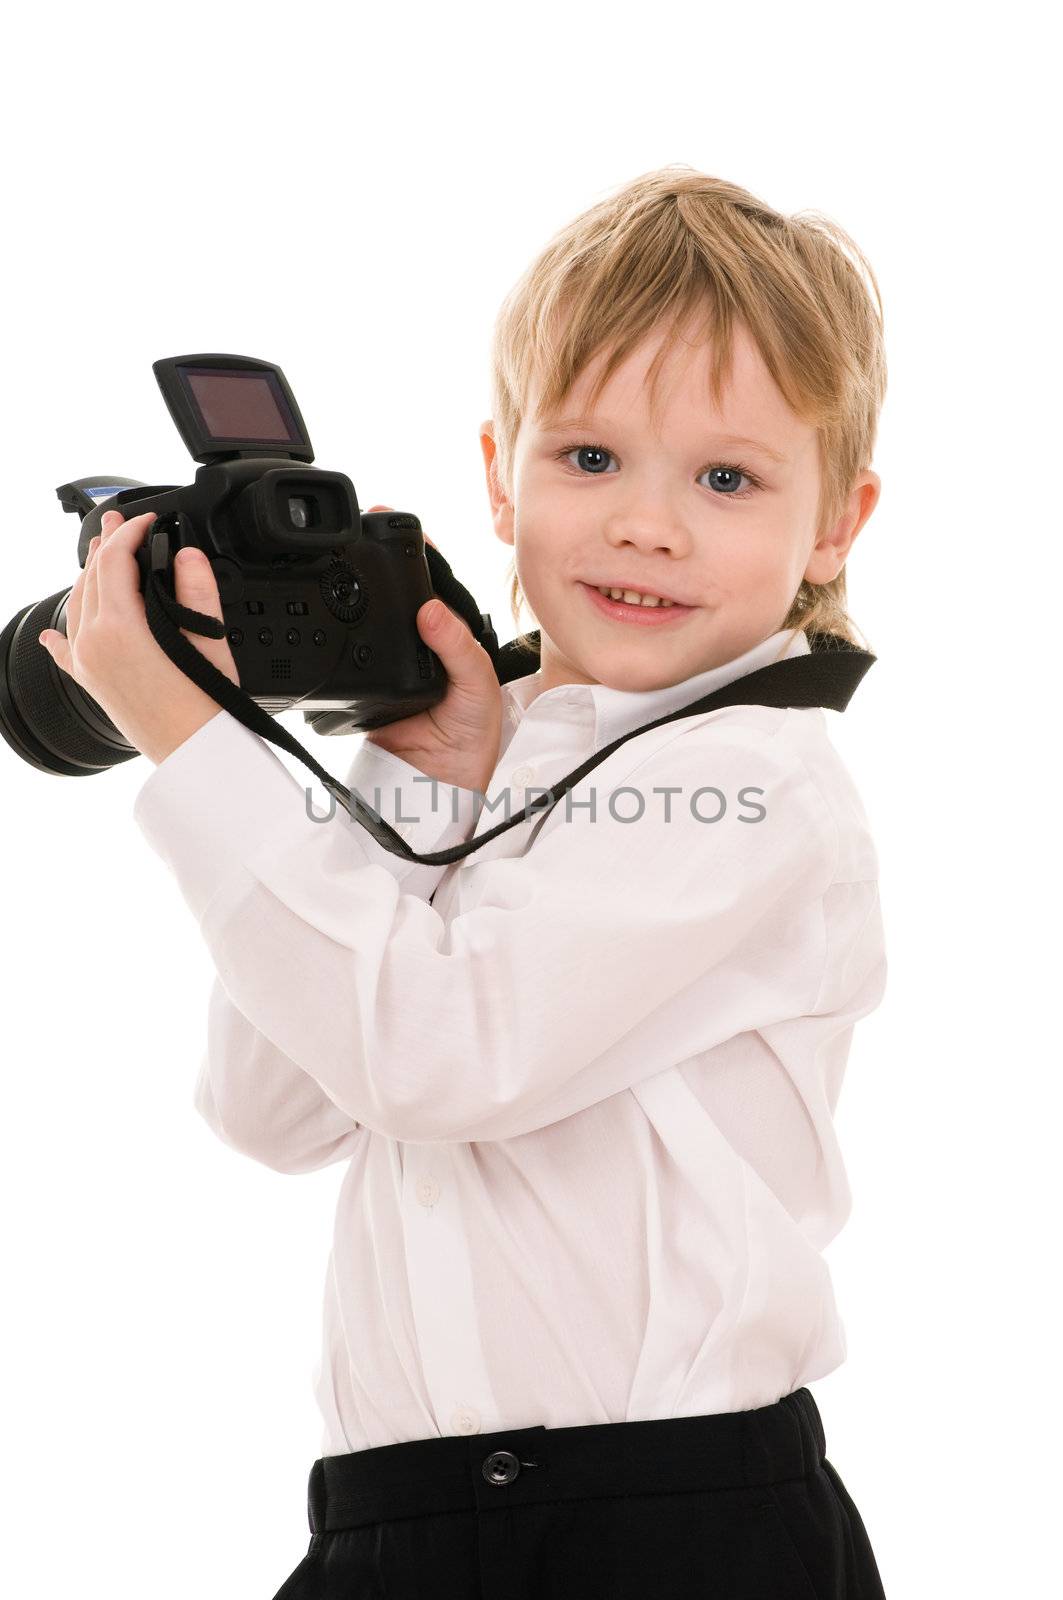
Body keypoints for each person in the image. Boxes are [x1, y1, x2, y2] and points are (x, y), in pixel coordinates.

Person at [39, 164, 891, 1597]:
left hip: (664, 1532)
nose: (649, 524)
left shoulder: (756, 780)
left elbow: (433, 1055)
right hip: (403, 1524)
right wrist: (418, 776)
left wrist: (189, 741)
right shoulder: (510, 755)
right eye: (591, 459)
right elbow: (282, 1106)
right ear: (500, 473)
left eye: (728, 477)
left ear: (835, 524)